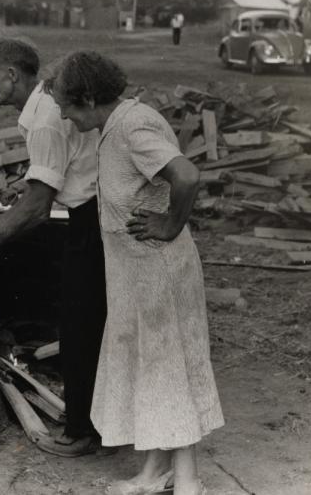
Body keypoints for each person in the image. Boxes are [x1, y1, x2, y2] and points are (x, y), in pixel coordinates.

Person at [51, 51, 224, 495]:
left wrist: (169, 224)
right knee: (154, 370)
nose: (66, 118)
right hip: (136, 274)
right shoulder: (119, 125)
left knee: (169, 369)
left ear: (89, 97)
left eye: (68, 107)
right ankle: (154, 473)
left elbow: (186, 175)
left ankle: (188, 481)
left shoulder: (132, 126)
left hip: (158, 271)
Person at [0, 39, 109, 457]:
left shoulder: (43, 119)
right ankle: (97, 421)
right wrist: (25, 184)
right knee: (86, 322)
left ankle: (81, 432)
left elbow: (39, 208)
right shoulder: (43, 104)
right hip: (93, 210)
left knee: (79, 327)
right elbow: (55, 169)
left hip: (92, 218)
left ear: (11, 74)